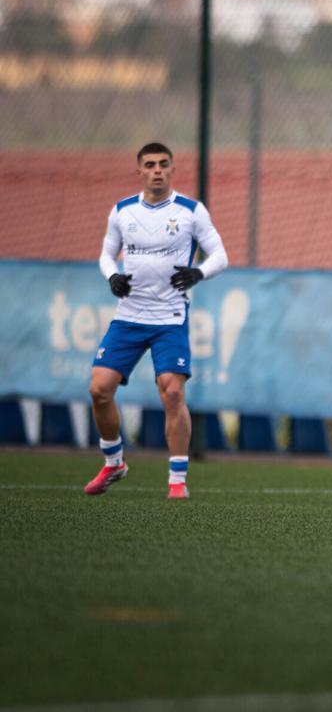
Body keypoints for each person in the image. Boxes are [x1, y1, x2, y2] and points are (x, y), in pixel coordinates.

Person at [85, 142, 228, 500]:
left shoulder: (191, 211)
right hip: (129, 316)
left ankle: (177, 480)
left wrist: (198, 273)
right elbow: (105, 254)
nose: (157, 170)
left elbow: (221, 255)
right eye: (150, 165)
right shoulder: (122, 211)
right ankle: (114, 461)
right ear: (140, 171)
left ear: (173, 169)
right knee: (99, 390)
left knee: (173, 391)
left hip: (170, 317)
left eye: (164, 164)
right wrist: (111, 276)